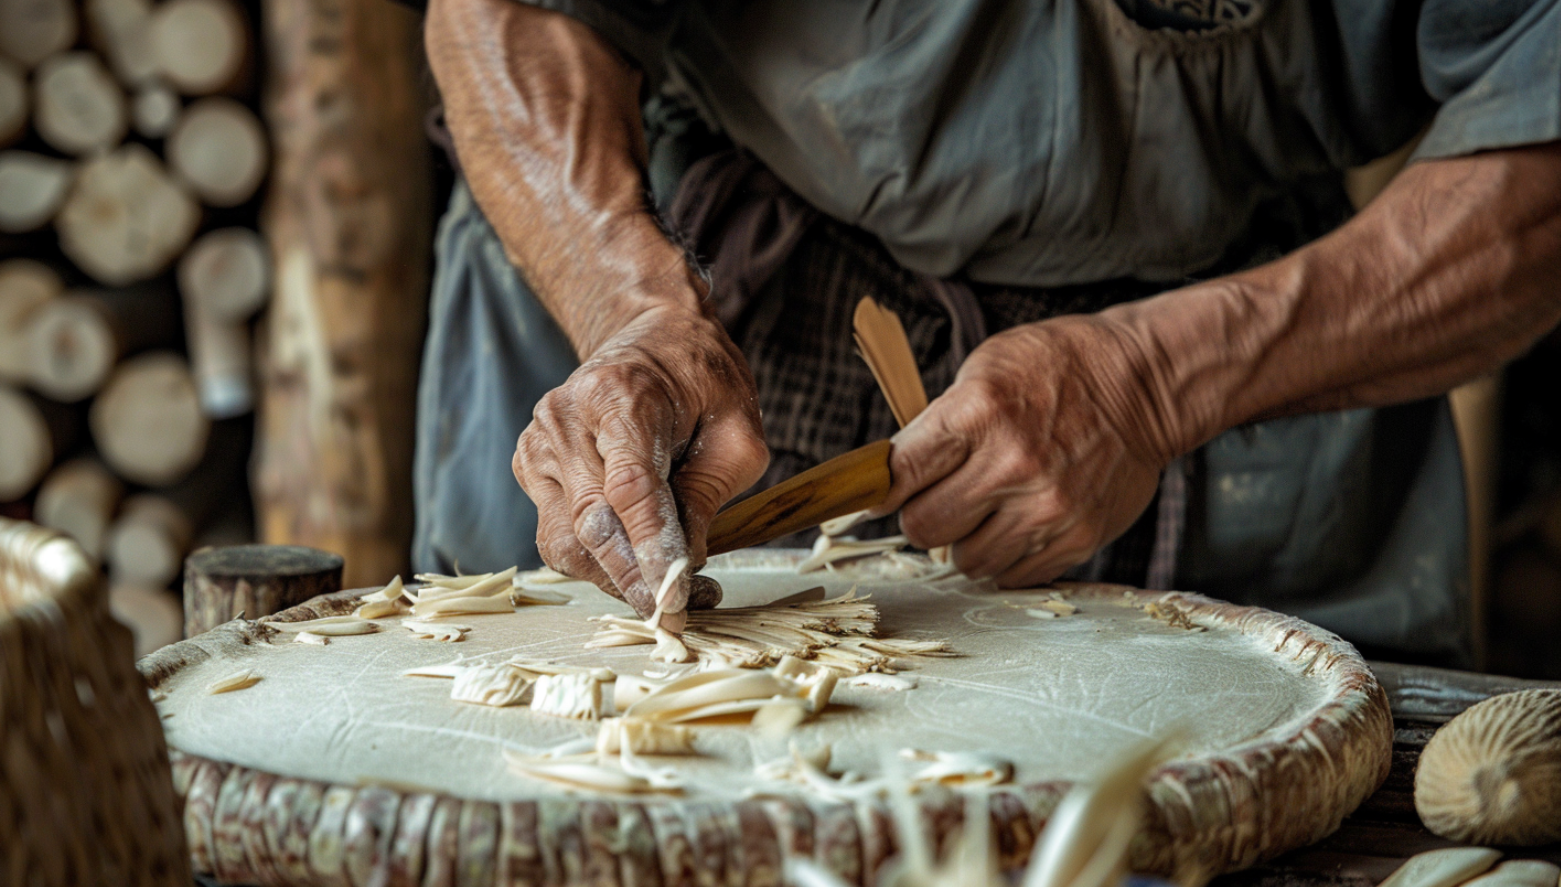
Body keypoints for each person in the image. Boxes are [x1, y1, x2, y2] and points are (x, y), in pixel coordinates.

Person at [408, 0, 1561, 665]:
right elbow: (506, 12)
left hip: (1249, 347)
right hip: (688, 243)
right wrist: (634, 311)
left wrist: (1153, 382)